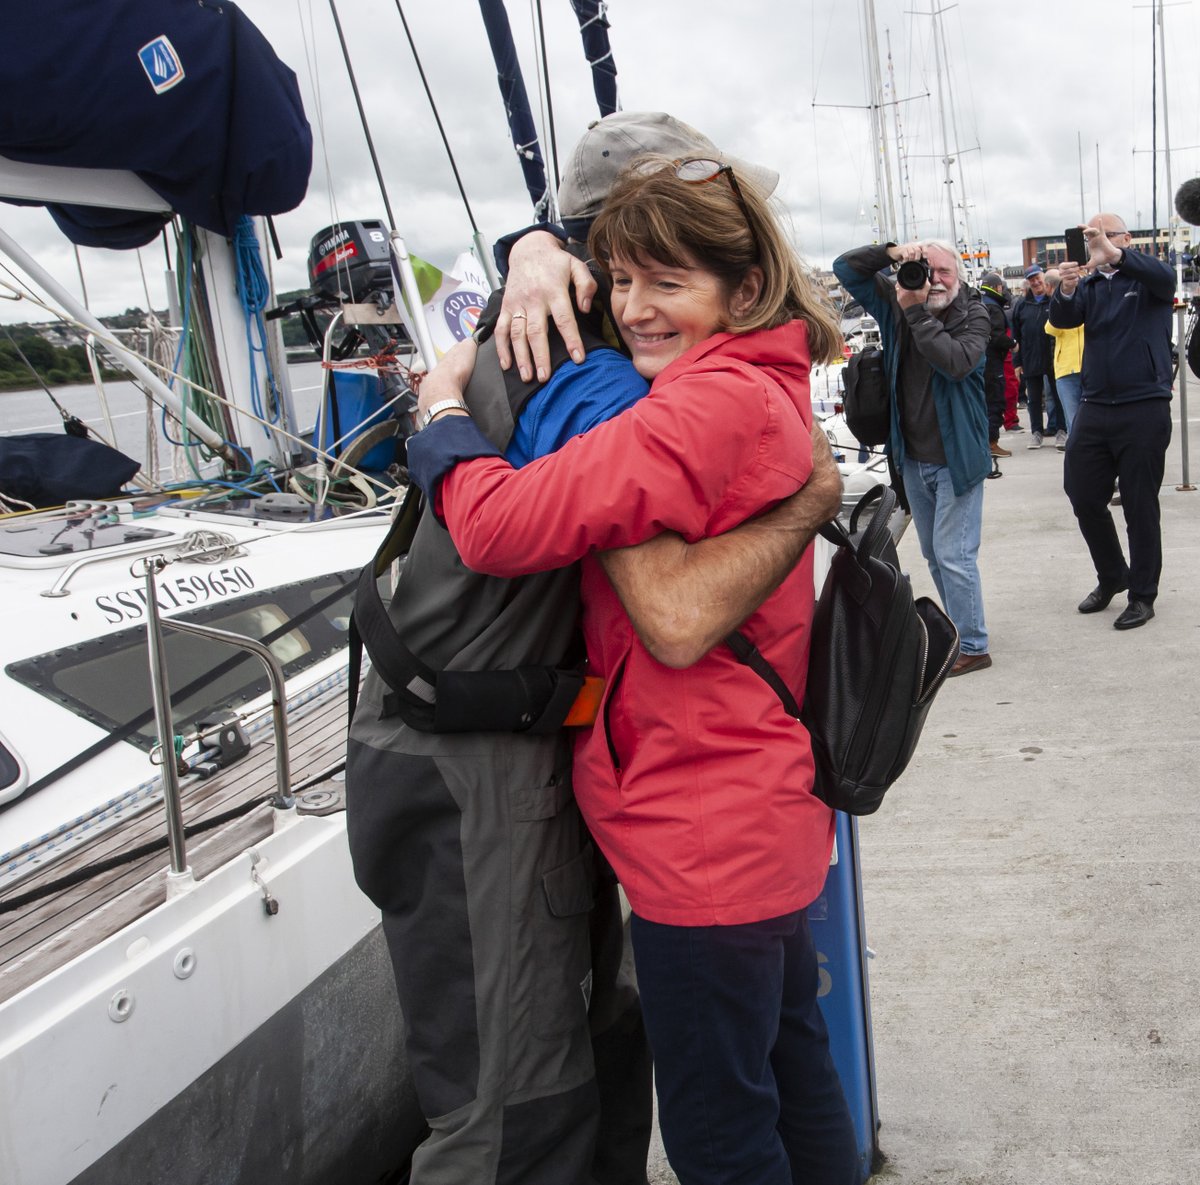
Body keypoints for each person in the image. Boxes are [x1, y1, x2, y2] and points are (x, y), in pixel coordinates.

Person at [347, 112, 845, 1185]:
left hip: (699, 822)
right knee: (787, 1071)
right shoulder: (743, 369)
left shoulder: (629, 389)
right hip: (746, 805)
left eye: (665, 276)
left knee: (719, 1129)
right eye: (622, 274)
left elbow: (657, 606)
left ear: (741, 284)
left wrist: (437, 415)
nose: (633, 306)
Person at [833, 239, 993, 676]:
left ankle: (974, 645)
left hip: (956, 458)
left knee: (954, 554)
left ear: (958, 276)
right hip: (912, 458)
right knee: (934, 553)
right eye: (926, 270)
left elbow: (956, 363)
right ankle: (962, 629)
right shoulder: (897, 303)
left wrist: (916, 312)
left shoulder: (973, 314)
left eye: (944, 272)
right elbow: (845, 268)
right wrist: (892, 252)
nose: (934, 280)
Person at [1050, 212, 1175, 630]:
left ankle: (1143, 594)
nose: (1096, 245)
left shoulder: (1148, 278)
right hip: (1096, 405)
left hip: (1144, 405)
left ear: (1124, 239)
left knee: (1140, 504)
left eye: (1103, 236)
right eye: (1090, 239)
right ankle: (1112, 576)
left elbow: (1166, 278)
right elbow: (1066, 320)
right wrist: (1065, 288)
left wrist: (1116, 255)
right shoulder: (1089, 285)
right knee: (1082, 494)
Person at [1011, 263, 1066, 448]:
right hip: (1030, 357)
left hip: (1054, 358)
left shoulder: (1054, 300)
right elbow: (1016, 335)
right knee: (1033, 399)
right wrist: (1017, 363)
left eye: (1037, 278)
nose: (1035, 282)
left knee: (1058, 396)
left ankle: (1061, 431)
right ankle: (1036, 432)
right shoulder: (1021, 304)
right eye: (1031, 279)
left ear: (1044, 278)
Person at [1044, 269, 1085, 447]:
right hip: (1066, 371)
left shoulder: (1088, 301)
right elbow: (1051, 328)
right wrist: (1065, 308)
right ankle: (1079, 467)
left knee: (1095, 422)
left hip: (1090, 369)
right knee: (1073, 424)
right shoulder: (1059, 304)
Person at [979, 270, 1013, 457]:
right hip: (993, 363)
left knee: (984, 403)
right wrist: (1013, 344)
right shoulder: (994, 307)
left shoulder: (979, 304)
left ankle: (985, 443)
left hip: (981, 362)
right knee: (995, 402)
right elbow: (997, 336)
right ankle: (992, 443)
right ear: (995, 288)